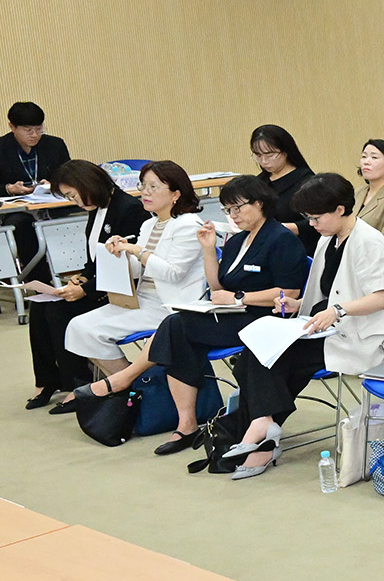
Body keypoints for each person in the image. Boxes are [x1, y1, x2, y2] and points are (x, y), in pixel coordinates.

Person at [79, 175, 310, 454]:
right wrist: (209, 249)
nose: (233, 216)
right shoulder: (238, 241)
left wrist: (240, 297)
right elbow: (217, 286)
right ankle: (184, 422)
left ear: (260, 203)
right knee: (177, 332)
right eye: (228, 210)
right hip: (231, 313)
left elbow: (291, 292)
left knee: (176, 327)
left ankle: (131, 384)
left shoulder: (280, 239)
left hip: (265, 318)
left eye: (238, 208)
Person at [224, 173, 384, 480]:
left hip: (361, 335)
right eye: (308, 218)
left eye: (316, 217)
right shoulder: (327, 239)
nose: (312, 225)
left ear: (339, 209)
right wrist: (297, 306)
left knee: (272, 361)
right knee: (258, 353)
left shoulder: (368, 242)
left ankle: (263, 430)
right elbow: (324, 291)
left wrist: (337, 311)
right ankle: (264, 426)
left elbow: (379, 300)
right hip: (325, 327)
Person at [62, 160, 205, 392]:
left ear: (175, 194)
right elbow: (140, 269)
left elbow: (173, 273)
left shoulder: (188, 225)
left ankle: (133, 388)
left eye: (153, 187)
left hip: (171, 305)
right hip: (142, 299)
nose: (145, 193)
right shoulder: (150, 224)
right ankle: (138, 386)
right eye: (142, 186)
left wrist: (138, 251)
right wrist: (119, 253)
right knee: (79, 327)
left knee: (90, 330)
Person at [27, 161, 145, 410]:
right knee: (38, 308)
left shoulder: (128, 209)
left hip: (121, 289)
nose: (76, 202)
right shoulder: (97, 208)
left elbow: (125, 267)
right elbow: (95, 257)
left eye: (73, 195)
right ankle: (48, 381)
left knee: (58, 311)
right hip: (99, 283)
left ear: (88, 185)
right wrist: (81, 277)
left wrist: (86, 289)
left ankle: (77, 383)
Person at [1, 101, 73, 275]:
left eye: (39, 128)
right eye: (28, 130)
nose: (35, 135)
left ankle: (74, 271)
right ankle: (40, 280)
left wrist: (54, 184)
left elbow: (70, 176)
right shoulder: (2, 148)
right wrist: (9, 188)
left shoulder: (55, 145)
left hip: (51, 204)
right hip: (18, 209)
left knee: (81, 214)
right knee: (20, 225)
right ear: (12, 127)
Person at [249, 124, 314, 230]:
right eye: (258, 156)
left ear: (285, 152)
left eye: (270, 155)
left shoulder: (306, 181)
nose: (264, 161)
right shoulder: (259, 182)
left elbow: (320, 220)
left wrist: (284, 229)